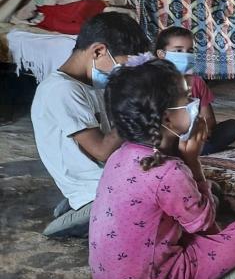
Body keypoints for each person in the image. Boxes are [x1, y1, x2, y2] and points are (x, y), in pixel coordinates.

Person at [89, 59, 235, 279]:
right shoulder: (168, 171)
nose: (194, 103)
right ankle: (214, 273)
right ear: (167, 117)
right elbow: (205, 225)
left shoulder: (120, 155)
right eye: (187, 98)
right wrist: (193, 160)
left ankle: (206, 268)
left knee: (197, 203)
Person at [31, 13, 150, 238]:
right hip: (96, 185)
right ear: (98, 51)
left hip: (105, 178)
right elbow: (102, 150)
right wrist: (133, 111)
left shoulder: (91, 86)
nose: (122, 74)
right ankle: (83, 212)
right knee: (159, 205)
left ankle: (84, 205)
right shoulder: (62, 89)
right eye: (121, 67)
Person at [155, 26, 235, 155]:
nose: (186, 55)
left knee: (232, 127)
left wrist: (202, 130)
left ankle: (197, 152)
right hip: (167, 141)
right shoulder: (153, 83)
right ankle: (198, 153)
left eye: (190, 51)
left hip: (195, 137)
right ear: (161, 54)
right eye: (178, 51)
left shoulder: (196, 82)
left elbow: (209, 118)